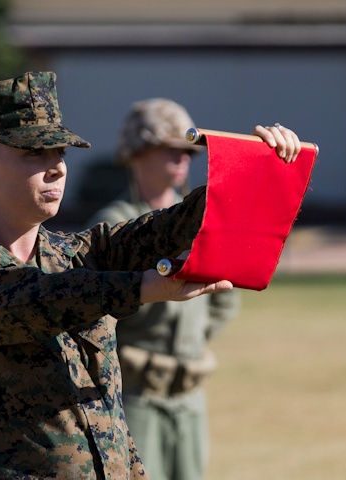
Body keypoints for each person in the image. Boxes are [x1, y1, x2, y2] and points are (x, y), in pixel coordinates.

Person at [0, 71, 301, 480]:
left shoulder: (76, 254)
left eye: (59, 152)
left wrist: (255, 170)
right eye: (33, 154)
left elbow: (169, 227)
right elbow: (37, 297)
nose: (57, 168)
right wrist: (140, 287)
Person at [86, 98, 239, 480]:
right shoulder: (114, 227)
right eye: (169, 150)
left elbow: (225, 296)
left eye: (187, 151)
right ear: (136, 153)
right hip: (135, 397)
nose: (183, 158)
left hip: (189, 397)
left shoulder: (198, 221)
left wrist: (195, 336)